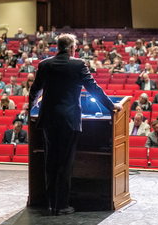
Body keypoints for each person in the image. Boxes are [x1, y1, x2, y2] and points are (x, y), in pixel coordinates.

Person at [29, 34, 121, 215]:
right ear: (72, 48)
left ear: (58, 47)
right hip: (69, 120)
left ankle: (50, 204)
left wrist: (31, 106)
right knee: (65, 163)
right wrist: (111, 106)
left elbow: (35, 89)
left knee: (50, 162)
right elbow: (93, 88)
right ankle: (62, 206)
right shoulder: (78, 65)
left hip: (48, 119)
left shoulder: (45, 64)